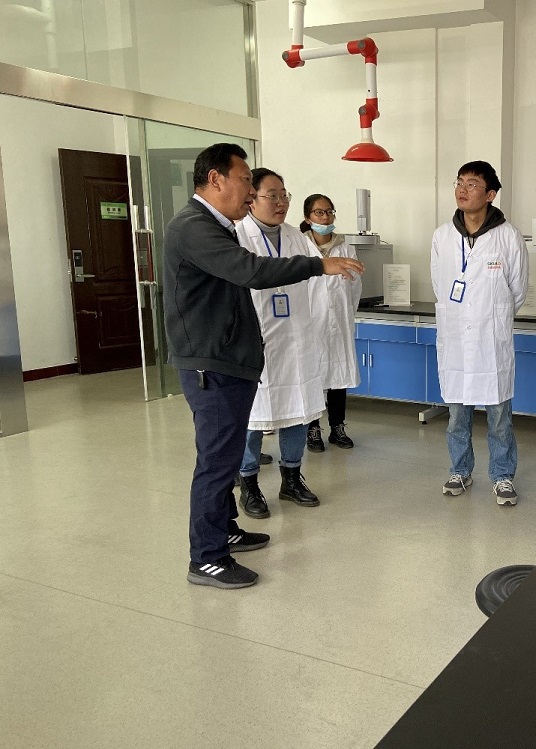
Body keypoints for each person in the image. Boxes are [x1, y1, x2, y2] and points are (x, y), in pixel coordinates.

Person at [164, 143, 364, 589]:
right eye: (245, 181)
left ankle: (226, 530)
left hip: (229, 360)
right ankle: (206, 558)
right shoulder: (193, 227)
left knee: (226, 455)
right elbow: (251, 271)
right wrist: (319, 264)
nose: (251, 191)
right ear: (215, 179)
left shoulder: (215, 226)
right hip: (211, 364)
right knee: (217, 463)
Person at [236, 170, 343, 520]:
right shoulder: (238, 235)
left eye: (284, 195)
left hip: (296, 339)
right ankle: (249, 483)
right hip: (258, 341)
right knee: (253, 415)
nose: (281, 202)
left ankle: (292, 479)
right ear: (251, 198)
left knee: (298, 408)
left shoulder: (297, 238)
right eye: (273, 195)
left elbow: (317, 283)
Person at [430, 160, 528, 505]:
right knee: (457, 416)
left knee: (499, 418)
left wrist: (492, 316)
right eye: (459, 182)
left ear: (490, 194)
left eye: (472, 184)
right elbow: (439, 285)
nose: (462, 189)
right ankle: (460, 470)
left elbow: (518, 290)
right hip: (456, 338)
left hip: (491, 341)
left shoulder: (508, 236)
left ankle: (502, 476)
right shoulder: (442, 236)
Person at [301, 194, 362, 452]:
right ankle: (313, 429)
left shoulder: (346, 249)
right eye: (319, 212)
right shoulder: (300, 248)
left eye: (329, 212)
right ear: (308, 218)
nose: (325, 217)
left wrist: (345, 314)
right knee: (312, 376)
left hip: (338, 321)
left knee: (338, 377)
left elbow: (355, 288)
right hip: (310, 323)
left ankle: (338, 428)